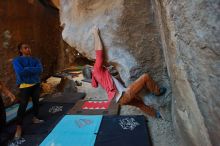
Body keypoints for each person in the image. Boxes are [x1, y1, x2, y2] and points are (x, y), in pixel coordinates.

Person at [82, 27, 166, 118]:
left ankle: (156, 115)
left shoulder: (96, 77)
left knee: (140, 104)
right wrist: (95, 34)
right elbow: (99, 53)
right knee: (145, 77)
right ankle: (157, 92)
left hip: (119, 100)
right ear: (90, 68)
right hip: (123, 96)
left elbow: (99, 83)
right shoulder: (96, 70)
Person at [12, 43, 44, 139]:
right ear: (21, 50)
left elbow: (40, 70)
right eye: (25, 48)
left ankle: (35, 117)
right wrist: (33, 69)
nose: (28, 49)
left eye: (29, 47)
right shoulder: (17, 60)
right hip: (25, 85)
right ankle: (18, 127)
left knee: (36, 102)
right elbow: (20, 72)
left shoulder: (35, 59)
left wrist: (27, 69)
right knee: (23, 105)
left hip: (36, 84)